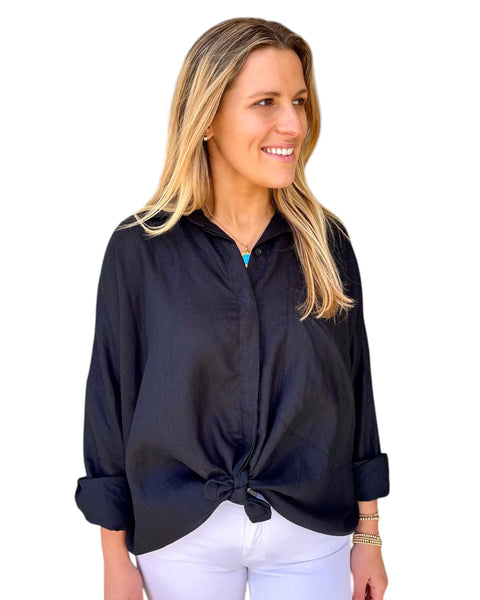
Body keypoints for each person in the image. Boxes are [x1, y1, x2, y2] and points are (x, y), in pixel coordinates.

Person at [75, 17, 390, 600]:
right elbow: (110, 407)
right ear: (206, 117)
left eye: (299, 101)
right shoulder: (139, 250)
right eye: (266, 102)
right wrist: (114, 558)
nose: (293, 124)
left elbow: (356, 393)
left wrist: (369, 535)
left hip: (310, 533)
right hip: (180, 537)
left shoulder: (327, 243)